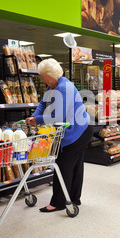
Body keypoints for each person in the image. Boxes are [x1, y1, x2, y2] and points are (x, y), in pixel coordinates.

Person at [25, 58, 92, 212]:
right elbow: (43, 103)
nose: (42, 79)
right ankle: (73, 199)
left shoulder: (63, 88)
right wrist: (33, 116)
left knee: (63, 165)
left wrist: (37, 120)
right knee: (74, 165)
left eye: (43, 76)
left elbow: (58, 117)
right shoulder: (53, 86)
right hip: (79, 128)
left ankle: (59, 203)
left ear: (49, 76)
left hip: (78, 131)